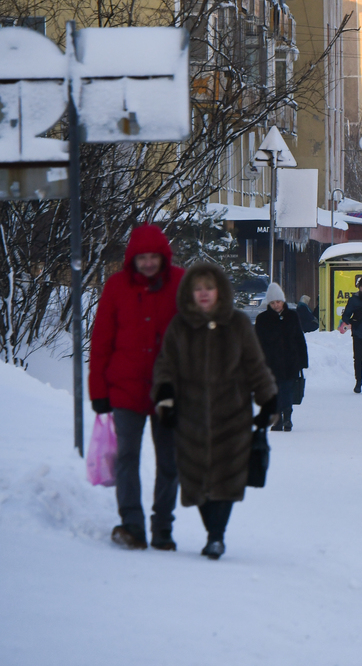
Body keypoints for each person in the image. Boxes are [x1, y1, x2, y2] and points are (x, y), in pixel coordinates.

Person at [152, 261, 279, 560]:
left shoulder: (236, 324)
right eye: (198, 289)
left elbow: (254, 365)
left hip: (232, 415)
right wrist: (166, 396)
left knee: (227, 476)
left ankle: (216, 536)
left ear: (219, 291)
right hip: (190, 418)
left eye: (209, 288)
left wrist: (268, 399)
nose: (204, 294)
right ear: (190, 293)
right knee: (196, 479)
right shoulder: (180, 326)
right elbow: (165, 366)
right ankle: (212, 530)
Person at [88, 224, 185, 551]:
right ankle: (132, 524)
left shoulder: (180, 283)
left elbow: (197, 335)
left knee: (169, 461)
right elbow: (101, 342)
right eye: (141, 257)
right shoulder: (116, 287)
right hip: (125, 389)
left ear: (163, 257)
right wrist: (98, 391)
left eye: (153, 257)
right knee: (127, 457)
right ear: (133, 258)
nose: (147, 263)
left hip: (168, 390)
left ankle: (162, 527)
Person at [253, 284, 308, 432]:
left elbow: (299, 338)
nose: (276, 305)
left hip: (291, 361)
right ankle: (277, 419)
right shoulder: (263, 319)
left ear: (283, 301)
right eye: (273, 302)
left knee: (287, 390)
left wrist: (303, 360)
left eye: (278, 301)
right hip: (270, 362)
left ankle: (287, 418)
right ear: (269, 304)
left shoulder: (292, 316)